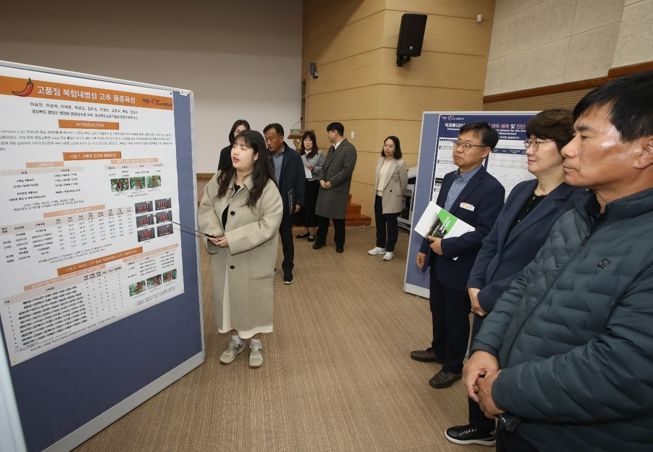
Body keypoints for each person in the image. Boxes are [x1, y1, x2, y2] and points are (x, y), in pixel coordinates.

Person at [464, 71, 653, 451]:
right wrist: (486, 346)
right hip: (522, 423)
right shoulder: (580, 215)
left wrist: (505, 389)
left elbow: (625, 370)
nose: (569, 149)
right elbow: (525, 284)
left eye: (584, 137)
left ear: (645, 151)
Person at [444, 109, 582, 447]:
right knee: (480, 361)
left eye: (539, 143)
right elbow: (492, 242)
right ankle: (480, 425)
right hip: (485, 295)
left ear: (566, 148)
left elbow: (546, 265)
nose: (529, 150)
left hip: (524, 303)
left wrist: (488, 295)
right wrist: (475, 284)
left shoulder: (577, 203)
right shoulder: (521, 190)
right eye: (528, 142)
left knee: (513, 370)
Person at [411, 122, 504, 389]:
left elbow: (486, 233)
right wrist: (424, 248)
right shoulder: (450, 178)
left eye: (467, 145)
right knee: (437, 309)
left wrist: (448, 247)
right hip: (438, 257)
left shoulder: (492, 188)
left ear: (485, 151)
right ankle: (438, 350)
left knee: (455, 317)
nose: (459, 149)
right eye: (458, 143)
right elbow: (439, 217)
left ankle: (452, 366)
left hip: (462, 264)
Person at [198, 130, 283, 368]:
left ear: (256, 155)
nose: (236, 152)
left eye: (244, 148)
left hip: (253, 258)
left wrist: (233, 238)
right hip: (224, 257)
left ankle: (256, 343)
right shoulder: (221, 178)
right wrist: (215, 232)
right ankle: (235, 340)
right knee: (228, 299)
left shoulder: (266, 188)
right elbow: (206, 207)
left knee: (253, 300)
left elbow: (269, 224)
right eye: (235, 146)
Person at [263, 123, 305, 285]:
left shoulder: (293, 156)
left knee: (287, 239)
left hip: (286, 203)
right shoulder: (263, 156)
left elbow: (300, 179)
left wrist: (299, 201)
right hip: (267, 206)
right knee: (267, 239)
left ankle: (288, 269)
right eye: (266, 139)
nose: (268, 142)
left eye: (271, 138)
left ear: (281, 138)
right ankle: (269, 266)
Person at [312, 122, 357, 253]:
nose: (328, 135)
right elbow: (324, 167)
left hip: (337, 189)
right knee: (323, 217)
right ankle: (320, 240)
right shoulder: (332, 149)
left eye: (329, 132)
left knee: (338, 218)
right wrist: (321, 179)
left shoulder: (349, 149)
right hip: (325, 187)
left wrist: (331, 182)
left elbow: (347, 170)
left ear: (335, 132)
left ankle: (339, 243)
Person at [367, 135, 408, 261]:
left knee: (391, 226)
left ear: (396, 148)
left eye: (391, 146)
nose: (387, 148)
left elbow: (404, 184)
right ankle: (380, 246)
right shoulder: (381, 160)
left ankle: (390, 250)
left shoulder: (400, 163)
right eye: (385, 145)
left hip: (392, 198)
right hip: (379, 196)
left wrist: (397, 196)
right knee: (380, 223)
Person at [295, 130, 324, 242]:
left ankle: (312, 233)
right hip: (301, 183)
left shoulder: (319, 154)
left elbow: (324, 169)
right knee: (302, 208)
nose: (307, 142)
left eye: (310, 140)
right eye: (305, 140)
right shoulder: (298, 154)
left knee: (311, 208)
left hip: (313, 184)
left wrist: (314, 168)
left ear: (313, 142)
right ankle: (306, 230)